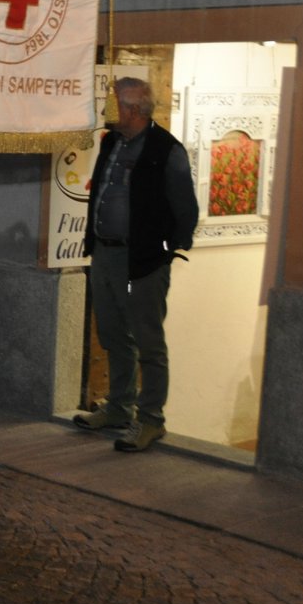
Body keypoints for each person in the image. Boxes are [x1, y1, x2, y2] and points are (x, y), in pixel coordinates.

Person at [74, 76, 199, 452]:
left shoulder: (166, 149)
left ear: (132, 109)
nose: (108, 110)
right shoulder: (112, 141)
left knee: (147, 340)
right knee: (112, 333)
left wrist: (164, 252)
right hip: (106, 255)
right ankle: (118, 407)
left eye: (113, 104)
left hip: (141, 262)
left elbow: (186, 210)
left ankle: (150, 420)